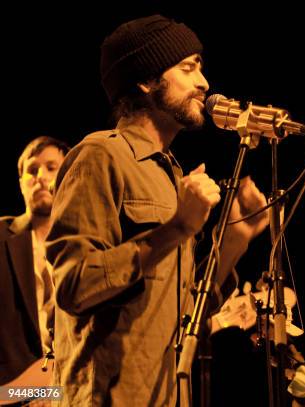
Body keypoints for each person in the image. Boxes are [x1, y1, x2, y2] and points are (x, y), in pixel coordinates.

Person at [46, 15, 269, 406]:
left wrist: (234, 238)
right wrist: (178, 227)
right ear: (147, 82)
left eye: (201, 68)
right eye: (188, 68)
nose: (203, 83)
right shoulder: (101, 155)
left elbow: (187, 311)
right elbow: (72, 286)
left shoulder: (170, 172)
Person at [0, 136, 69, 385]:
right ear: (20, 184)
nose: (41, 176)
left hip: (74, 392)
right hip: (10, 394)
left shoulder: (88, 241)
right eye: (32, 170)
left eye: (52, 168)